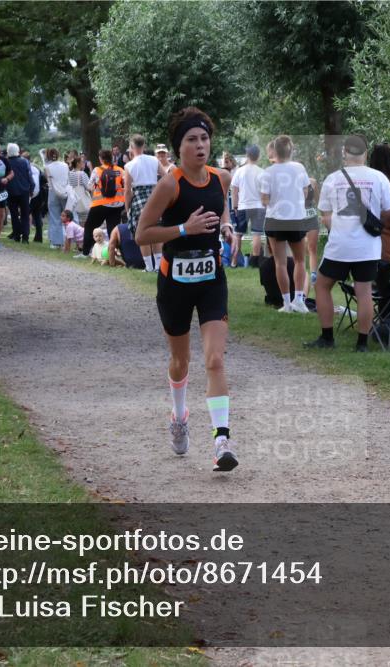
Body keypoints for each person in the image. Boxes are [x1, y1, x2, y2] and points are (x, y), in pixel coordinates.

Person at [134, 106, 239, 472]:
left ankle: (221, 439)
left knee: (215, 359)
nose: (200, 145)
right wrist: (183, 230)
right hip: (174, 283)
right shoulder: (170, 184)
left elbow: (220, 210)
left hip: (211, 280)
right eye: (191, 140)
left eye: (204, 138)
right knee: (182, 361)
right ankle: (179, 416)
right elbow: (141, 234)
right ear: (179, 148)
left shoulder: (221, 178)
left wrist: (227, 228)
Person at [305, 134, 390, 352]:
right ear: (365, 153)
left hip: (340, 245)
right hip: (368, 246)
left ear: (345, 152)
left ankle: (327, 337)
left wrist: (336, 229)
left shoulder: (332, 178)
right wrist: (377, 224)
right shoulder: (378, 178)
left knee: (322, 286)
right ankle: (362, 344)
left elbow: (326, 216)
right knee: (363, 291)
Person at [260, 135, 312, 313]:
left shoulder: (267, 172)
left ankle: (287, 304)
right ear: (291, 150)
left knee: (280, 263)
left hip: (275, 220)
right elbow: (305, 192)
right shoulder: (299, 168)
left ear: (274, 151)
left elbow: (264, 200)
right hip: (296, 218)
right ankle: (299, 300)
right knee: (300, 261)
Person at [124, 134, 163, 270]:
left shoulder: (129, 165)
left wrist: (127, 207)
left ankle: (149, 267)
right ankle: (158, 266)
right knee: (157, 231)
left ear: (131, 147)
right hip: (154, 196)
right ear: (144, 146)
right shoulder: (154, 160)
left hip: (139, 198)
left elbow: (127, 190)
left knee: (142, 233)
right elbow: (166, 177)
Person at [231, 144, 267, 267]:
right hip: (259, 206)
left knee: (238, 234)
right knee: (256, 234)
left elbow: (234, 191)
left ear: (247, 155)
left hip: (243, 206)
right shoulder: (262, 172)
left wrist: (234, 207)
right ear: (258, 156)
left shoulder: (239, 171)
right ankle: (255, 263)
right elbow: (264, 192)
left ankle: (234, 261)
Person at [85, 149, 125, 256]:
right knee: (113, 230)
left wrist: (96, 186)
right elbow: (126, 185)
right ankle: (117, 252)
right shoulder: (120, 170)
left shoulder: (97, 170)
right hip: (117, 205)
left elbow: (89, 186)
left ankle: (86, 252)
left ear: (100, 159)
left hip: (100, 204)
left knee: (90, 227)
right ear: (112, 158)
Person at [5, 143, 33, 242]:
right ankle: (25, 237)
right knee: (25, 214)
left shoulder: (6, 162)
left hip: (11, 191)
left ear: (8, 152)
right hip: (24, 191)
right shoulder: (25, 161)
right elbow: (29, 176)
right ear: (18, 151)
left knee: (14, 214)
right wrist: (32, 189)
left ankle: (16, 235)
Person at [44, 147, 69, 248]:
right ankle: (70, 240)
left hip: (53, 192)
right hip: (65, 191)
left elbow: (48, 180)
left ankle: (56, 242)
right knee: (68, 216)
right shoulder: (65, 165)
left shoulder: (47, 167)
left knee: (55, 217)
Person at [67, 155, 91, 228]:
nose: (84, 164)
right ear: (78, 163)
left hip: (71, 202)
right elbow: (89, 187)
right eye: (82, 162)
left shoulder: (69, 174)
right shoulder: (82, 174)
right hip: (82, 202)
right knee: (83, 224)